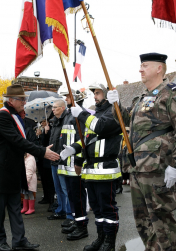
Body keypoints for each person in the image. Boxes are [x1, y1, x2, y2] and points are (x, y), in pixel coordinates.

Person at [107, 53, 176, 250]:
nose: (140, 69)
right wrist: (115, 105)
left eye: (145, 65)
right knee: (143, 220)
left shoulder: (173, 94)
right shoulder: (141, 98)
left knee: (161, 219)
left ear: (159, 68)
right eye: (140, 65)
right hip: (137, 167)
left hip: (157, 168)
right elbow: (127, 124)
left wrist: (175, 165)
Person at [0, 84, 60, 251]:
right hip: (1, 172)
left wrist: (40, 148)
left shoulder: (17, 116)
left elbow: (24, 141)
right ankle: (0, 241)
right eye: (22, 99)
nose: (24, 102)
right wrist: (41, 152)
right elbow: (17, 140)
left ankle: (19, 240)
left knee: (15, 207)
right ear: (11, 100)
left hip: (14, 170)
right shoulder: (3, 116)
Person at [61, 83, 123, 250]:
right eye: (94, 93)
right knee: (97, 209)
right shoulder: (98, 113)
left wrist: (81, 114)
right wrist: (74, 148)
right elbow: (88, 138)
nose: (94, 96)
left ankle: (109, 243)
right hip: (92, 170)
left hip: (106, 168)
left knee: (107, 209)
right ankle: (101, 239)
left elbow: (100, 127)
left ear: (107, 94)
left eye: (98, 93)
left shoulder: (114, 112)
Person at [57, 89, 89, 241]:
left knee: (78, 196)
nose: (65, 98)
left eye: (68, 96)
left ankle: (82, 226)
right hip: (67, 163)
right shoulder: (70, 113)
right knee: (71, 195)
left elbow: (83, 138)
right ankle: (76, 221)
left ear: (77, 98)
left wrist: (77, 159)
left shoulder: (80, 114)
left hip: (75, 163)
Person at [46, 99, 74, 227]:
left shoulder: (68, 119)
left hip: (62, 159)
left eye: (55, 107)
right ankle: (61, 210)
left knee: (65, 188)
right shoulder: (54, 122)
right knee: (58, 188)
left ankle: (69, 214)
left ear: (62, 108)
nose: (53, 109)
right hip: (54, 158)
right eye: (52, 107)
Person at [36, 119, 55, 212]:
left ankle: (52, 201)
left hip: (48, 159)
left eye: (44, 121)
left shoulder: (51, 129)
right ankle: (46, 197)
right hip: (41, 159)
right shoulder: (40, 130)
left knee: (50, 181)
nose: (42, 123)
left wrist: (46, 133)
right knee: (44, 179)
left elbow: (48, 142)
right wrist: (40, 135)